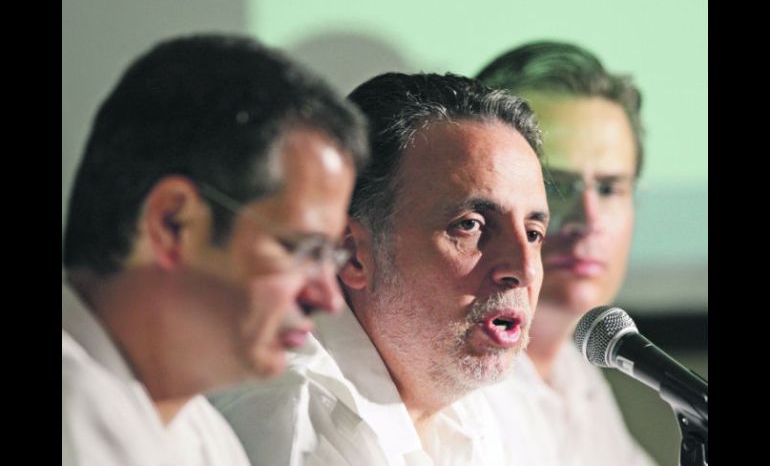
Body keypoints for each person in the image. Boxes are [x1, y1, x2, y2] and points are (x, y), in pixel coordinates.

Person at [211, 72, 551, 465]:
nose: (523, 270)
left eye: (533, 232)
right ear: (353, 252)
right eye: (470, 225)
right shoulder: (287, 423)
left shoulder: (488, 413)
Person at [61, 33, 369, 465]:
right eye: (300, 249)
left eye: (329, 257)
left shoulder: (204, 437)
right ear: (173, 223)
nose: (329, 298)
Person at [477, 40, 656, 466]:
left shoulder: (578, 376)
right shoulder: (450, 383)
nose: (588, 218)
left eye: (610, 188)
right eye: (556, 184)